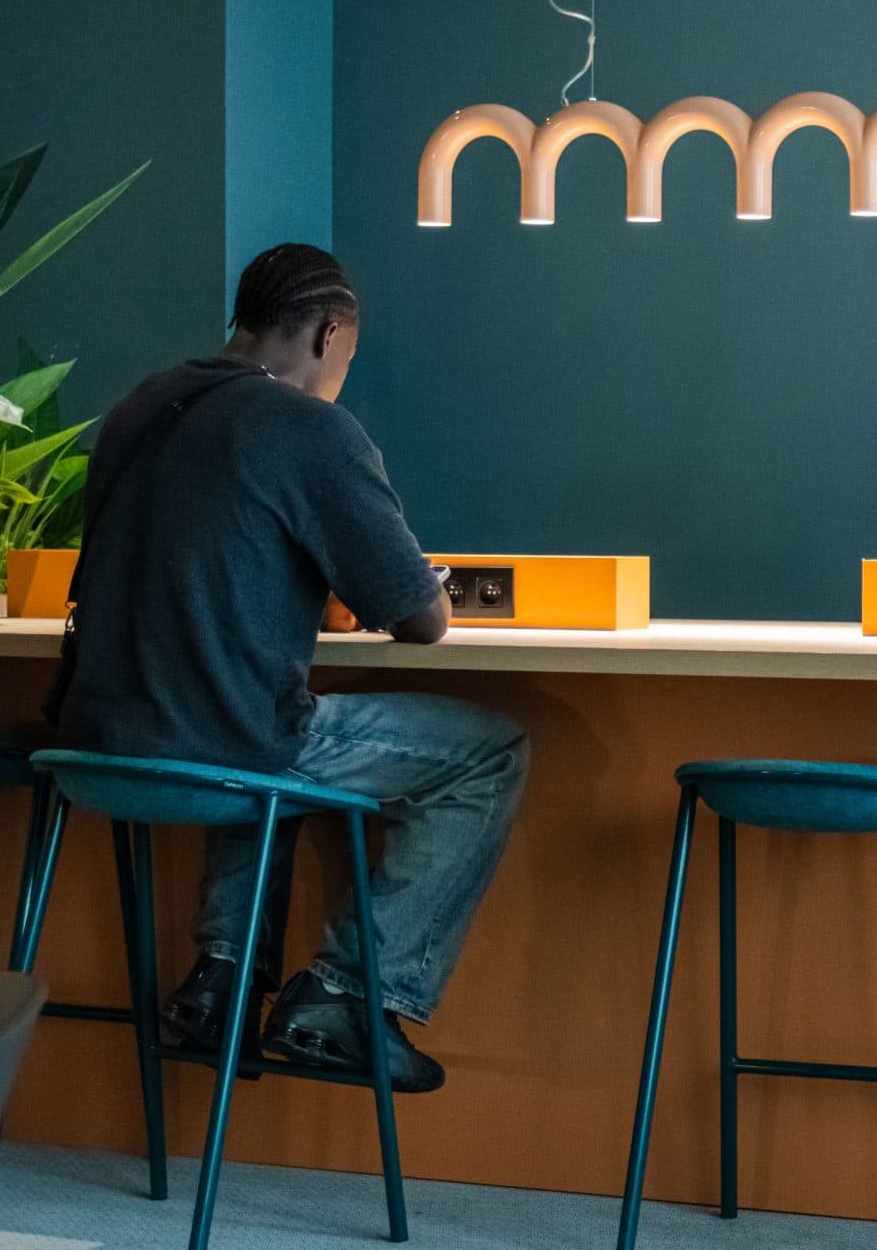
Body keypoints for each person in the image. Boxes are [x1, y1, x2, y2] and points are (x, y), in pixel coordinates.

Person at [54, 243, 528, 1093]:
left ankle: (224, 981)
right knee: (486, 753)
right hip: (221, 746)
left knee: (262, 723)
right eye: (347, 356)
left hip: (92, 744)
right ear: (328, 335)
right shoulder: (308, 426)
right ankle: (349, 996)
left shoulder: (142, 406)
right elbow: (423, 621)